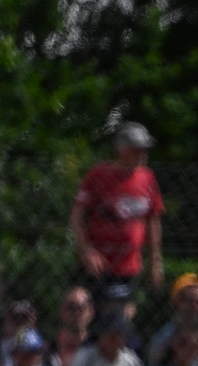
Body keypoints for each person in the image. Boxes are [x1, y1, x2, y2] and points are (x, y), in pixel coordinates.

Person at [70, 122, 164, 299]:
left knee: (121, 315)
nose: (143, 154)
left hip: (129, 265)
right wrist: (86, 251)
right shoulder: (98, 175)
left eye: (144, 149)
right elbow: (76, 217)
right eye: (137, 149)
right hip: (98, 264)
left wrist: (155, 262)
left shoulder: (147, 177)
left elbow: (153, 221)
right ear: (122, 149)